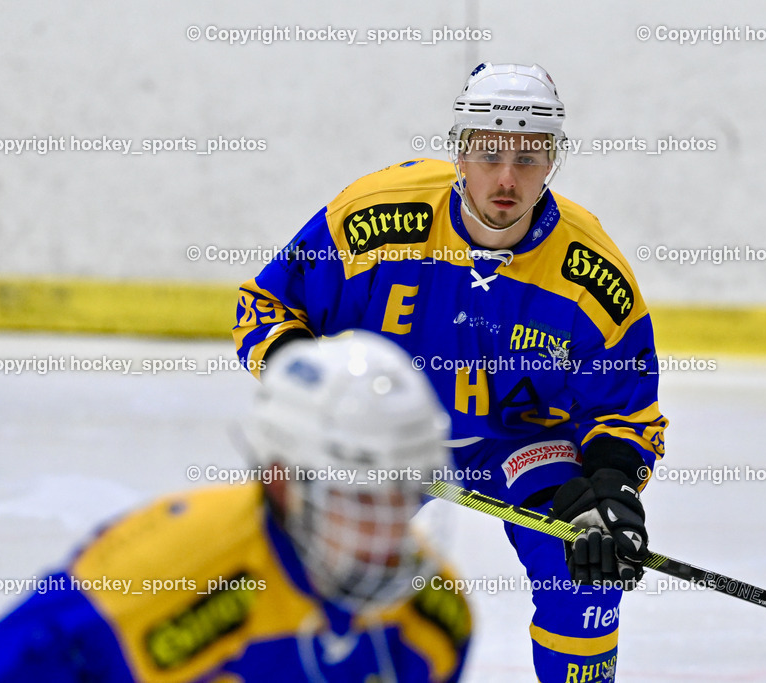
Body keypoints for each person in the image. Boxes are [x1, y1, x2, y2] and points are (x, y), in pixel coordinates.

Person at [234, 62, 668, 682]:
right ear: (459, 152)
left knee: (584, 577)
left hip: (523, 445)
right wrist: (317, 393)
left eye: (529, 156)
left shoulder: (590, 274)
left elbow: (626, 415)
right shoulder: (374, 220)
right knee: (298, 562)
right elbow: (264, 308)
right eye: (488, 153)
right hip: (385, 434)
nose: (506, 178)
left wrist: (612, 491)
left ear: (554, 161)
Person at [0, 332, 471, 682]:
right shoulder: (165, 577)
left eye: (403, 493)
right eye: (359, 497)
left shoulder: (437, 616)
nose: (388, 536)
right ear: (282, 482)